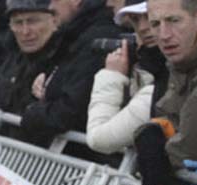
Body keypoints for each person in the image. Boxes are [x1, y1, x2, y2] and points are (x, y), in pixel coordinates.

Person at [132, 0, 197, 185]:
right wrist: (155, 130)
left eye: (174, 20)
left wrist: (161, 151)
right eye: (155, 24)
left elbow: (192, 148)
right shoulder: (187, 51)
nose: (164, 35)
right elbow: (172, 114)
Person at [15, 0, 121, 154]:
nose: (50, 7)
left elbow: (71, 109)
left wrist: (32, 113)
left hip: (84, 160)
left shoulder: (97, 38)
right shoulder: (74, 35)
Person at [85, 1, 160, 155]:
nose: (143, 27)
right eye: (135, 19)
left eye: (150, 16)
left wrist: (111, 75)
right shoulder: (143, 65)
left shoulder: (165, 81)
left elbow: (98, 138)